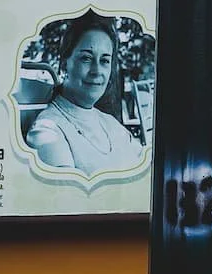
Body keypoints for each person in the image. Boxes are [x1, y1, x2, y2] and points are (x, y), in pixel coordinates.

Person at [25, 12, 144, 174]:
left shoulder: (109, 122)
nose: (97, 71)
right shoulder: (48, 131)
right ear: (65, 64)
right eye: (86, 58)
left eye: (104, 61)